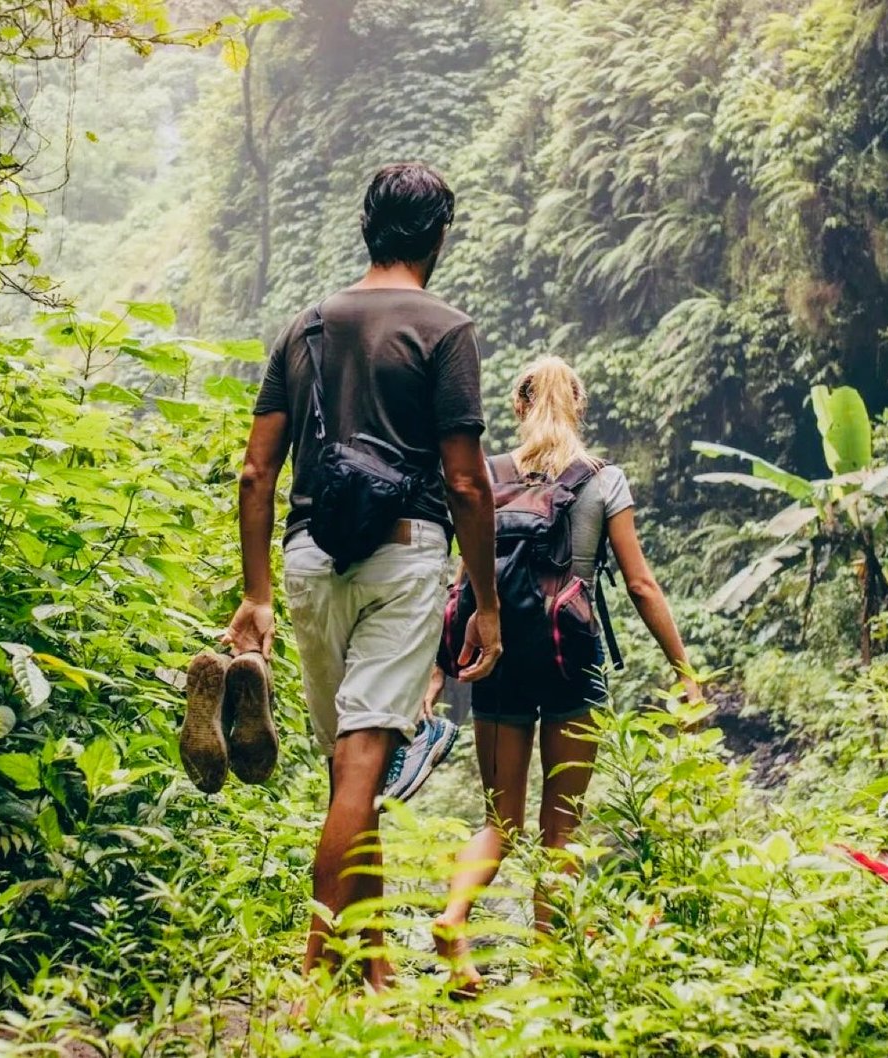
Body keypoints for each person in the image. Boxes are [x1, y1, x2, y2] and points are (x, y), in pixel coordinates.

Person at [223, 162, 503, 996]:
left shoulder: (304, 328)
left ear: (367, 227)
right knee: (364, 761)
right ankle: (319, 960)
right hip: (403, 549)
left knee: (355, 764)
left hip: (310, 559)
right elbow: (465, 481)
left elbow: (255, 473)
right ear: (437, 236)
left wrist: (257, 593)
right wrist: (484, 602)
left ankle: (371, 961)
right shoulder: (445, 330)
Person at [430, 355, 699, 995]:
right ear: (578, 404)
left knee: (500, 819)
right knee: (563, 825)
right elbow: (638, 583)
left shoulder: (487, 478)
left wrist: (440, 671)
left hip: (496, 656)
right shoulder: (603, 481)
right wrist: (684, 669)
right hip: (571, 661)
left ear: (519, 406)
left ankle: (452, 916)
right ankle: (548, 971)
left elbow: (462, 583)